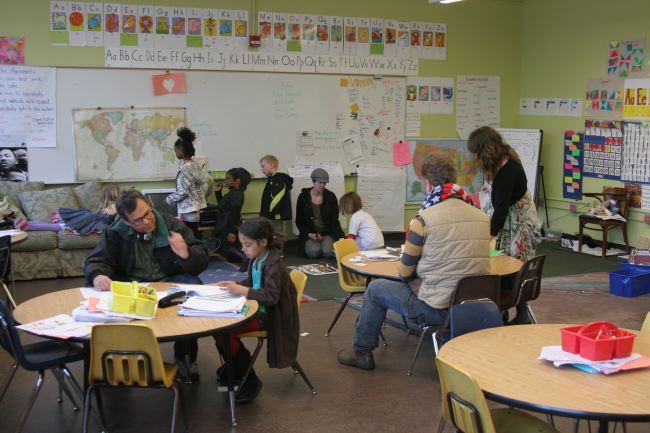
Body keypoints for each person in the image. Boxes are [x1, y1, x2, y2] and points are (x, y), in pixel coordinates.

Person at [337, 153, 490, 370]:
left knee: (375, 289)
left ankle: (362, 352)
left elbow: (404, 272)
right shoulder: (482, 217)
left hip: (437, 309)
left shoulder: (423, 220)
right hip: (475, 307)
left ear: (428, 184)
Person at [84, 189, 209, 381]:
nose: (147, 221)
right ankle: (118, 357)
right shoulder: (115, 231)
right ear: (126, 222)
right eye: (138, 220)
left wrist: (186, 253)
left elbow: (202, 259)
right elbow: (96, 261)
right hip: (131, 284)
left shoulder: (171, 225)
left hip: (168, 281)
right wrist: (97, 275)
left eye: (148, 213)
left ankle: (185, 358)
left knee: (194, 288)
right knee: (98, 291)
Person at [212, 217, 299, 404]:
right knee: (219, 328)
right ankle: (236, 368)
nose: (243, 249)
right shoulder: (256, 259)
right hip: (258, 309)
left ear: (263, 242)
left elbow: (271, 297)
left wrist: (243, 291)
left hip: (271, 316)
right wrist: (234, 285)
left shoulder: (274, 265)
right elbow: (254, 284)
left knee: (223, 330)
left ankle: (248, 379)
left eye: (247, 245)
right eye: (242, 244)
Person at [467, 126, 542, 324]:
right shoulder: (505, 159)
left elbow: (500, 211)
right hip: (512, 219)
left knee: (510, 267)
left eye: (476, 152)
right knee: (511, 267)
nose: (474, 157)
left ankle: (512, 315)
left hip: (518, 225)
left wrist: (487, 239)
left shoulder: (506, 173)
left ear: (485, 150)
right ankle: (512, 313)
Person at [165, 127, 213, 238]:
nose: (175, 153)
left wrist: (169, 199)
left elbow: (183, 191)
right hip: (195, 210)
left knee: (187, 236)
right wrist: (204, 195)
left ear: (181, 150)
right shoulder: (194, 165)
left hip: (187, 211)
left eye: (176, 150)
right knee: (193, 234)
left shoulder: (185, 169)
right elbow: (209, 179)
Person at [295, 168, 345, 258]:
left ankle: (325, 245)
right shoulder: (303, 197)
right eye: (320, 182)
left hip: (326, 233)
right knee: (313, 252)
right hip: (310, 234)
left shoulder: (330, 197)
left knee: (328, 253)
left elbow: (334, 221)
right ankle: (317, 246)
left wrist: (341, 238)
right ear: (313, 181)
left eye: (324, 183)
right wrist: (308, 234)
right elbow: (299, 221)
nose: (322, 185)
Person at [212, 167, 251, 262]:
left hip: (230, 226)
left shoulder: (237, 195)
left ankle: (247, 261)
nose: (225, 181)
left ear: (237, 181)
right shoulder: (232, 193)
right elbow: (222, 206)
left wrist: (231, 232)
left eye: (228, 178)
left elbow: (234, 214)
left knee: (230, 252)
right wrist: (218, 192)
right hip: (225, 225)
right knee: (225, 251)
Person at [259, 155, 293, 232]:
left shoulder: (278, 179)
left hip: (274, 215)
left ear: (271, 165)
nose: (262, 169)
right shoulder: (273, 179)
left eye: (263, 166)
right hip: (271, 215)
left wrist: (271, 213)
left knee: (276, 235)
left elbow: (277, 197)